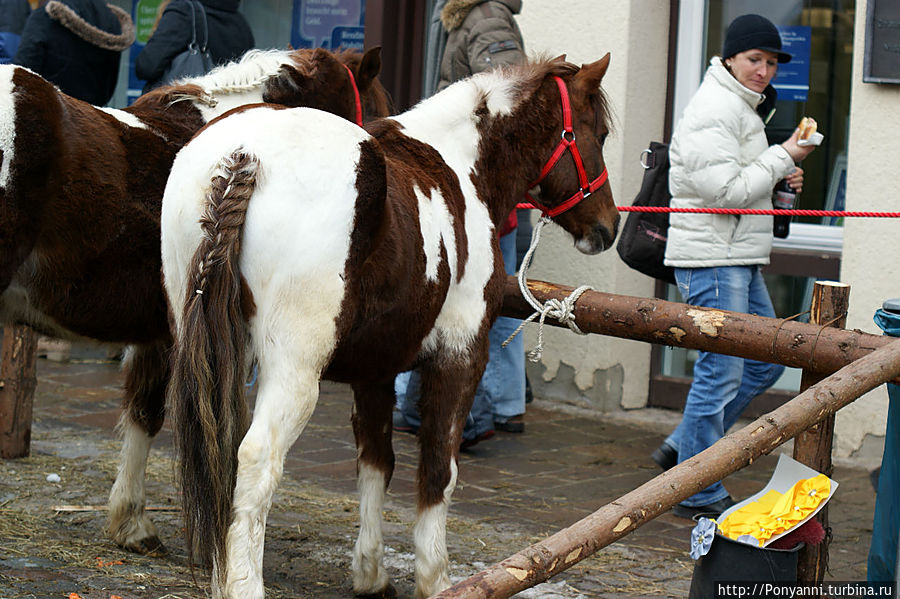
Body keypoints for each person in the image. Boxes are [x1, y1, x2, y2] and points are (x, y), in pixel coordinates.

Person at [654, 13, 817, 519]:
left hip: (737, 257)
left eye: (770, 62)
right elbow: (724, 195)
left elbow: (739, 181)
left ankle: (684, 449)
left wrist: (779, 178)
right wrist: (783, 154)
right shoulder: (715, 108)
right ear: (729, 58)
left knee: (765, 362)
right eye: (754, 59)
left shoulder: (744, 109)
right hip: (712, 259)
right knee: (720, 372)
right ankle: (698, 488)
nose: (763, 70)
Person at [393, 0, 527, 448]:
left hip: (477, 182)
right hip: (468, 176)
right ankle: (501, 405)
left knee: (483, 299)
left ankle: (488, 406)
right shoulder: (460, 15)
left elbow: (508, 103)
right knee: (492, 298)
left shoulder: (483, 16)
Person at [13, 0, 134, 105]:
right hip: (93, 120)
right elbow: (109, 87)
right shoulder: (112, 19)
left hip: (50, 119)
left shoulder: (46, 15)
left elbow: (21, 75)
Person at [135, 0, 253, 93]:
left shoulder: (184, 12)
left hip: (184, 115)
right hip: (225, 114)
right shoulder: (242, 23)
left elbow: (146, 66)